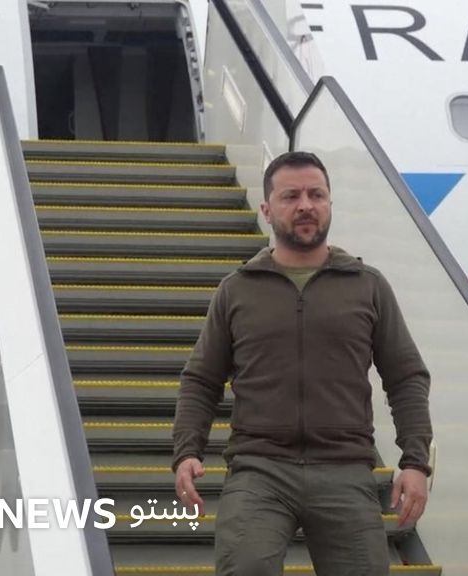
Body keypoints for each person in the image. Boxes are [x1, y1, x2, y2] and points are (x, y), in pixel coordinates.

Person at [172, 151, 433, 576]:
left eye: (316, 195)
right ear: (266, 209)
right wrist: (187, 451)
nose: (306, 205)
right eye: (291, 196)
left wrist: (415, 462)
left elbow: (406, 378)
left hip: (345, 469)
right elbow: (201, 380)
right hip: (259, 470)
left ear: (330, 203)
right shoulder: (237, 290)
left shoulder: (368, 287)